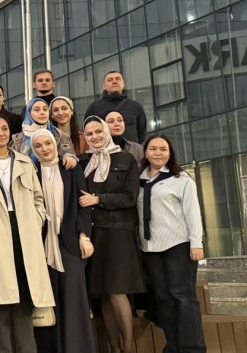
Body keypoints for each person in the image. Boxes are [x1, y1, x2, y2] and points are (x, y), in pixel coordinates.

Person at [0, 114, 55, 353]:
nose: (1, 133)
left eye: (4, 129)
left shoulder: (25, 162)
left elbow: (38, 197)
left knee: (24, 300)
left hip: (24, 230)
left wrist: (36, 218)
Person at [80, 116, 143, 353]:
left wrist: (98, 199)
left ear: (106, 131)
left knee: (117, 291)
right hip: (94, 232)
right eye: (89, 134)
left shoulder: (126, 159)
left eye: (98, 131)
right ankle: (114, 349)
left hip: (118, 232)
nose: (95, 136)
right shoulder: (85, 162)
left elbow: (129, 198)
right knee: (103, 293)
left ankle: (127, 349)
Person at [138, 135, 206, 353]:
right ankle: (174, 346)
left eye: (163, 149)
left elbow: (193, 212)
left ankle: (192, 348)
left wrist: (196, 243)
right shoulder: (138, 180)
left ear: (170, 153)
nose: (158, 153)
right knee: (164, 299)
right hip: (150, 248)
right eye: (153, 148)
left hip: (178, 244)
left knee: (183, 297)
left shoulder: (181, 179)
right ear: (145, 152)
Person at [30, 129, 95, 353]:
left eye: (47, 143)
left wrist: (84, 236)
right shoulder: (31, 171)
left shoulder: (71, 168)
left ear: (55, 144)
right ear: (33, 150)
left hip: (70, 242)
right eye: (38, 146)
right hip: (41, 245)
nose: (44, 149)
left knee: (74, 299)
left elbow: (83, 205)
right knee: (49, 302)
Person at [10, 97, 77, 169]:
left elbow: (69, 153)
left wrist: (69, 157)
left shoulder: (59, 135)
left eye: (45, 109)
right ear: (29, 113)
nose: (42, 113)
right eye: (37, 110)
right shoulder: (18, 139)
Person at [84, 71, 147, 143]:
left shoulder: (135, 106)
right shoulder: (94, 107)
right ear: (104, 86)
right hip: (104, 148)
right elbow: (87, 131)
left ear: (123, 83)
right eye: (110, 80)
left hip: (131, 148)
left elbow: (141, 133)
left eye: (118, 79)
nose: (114, 82)